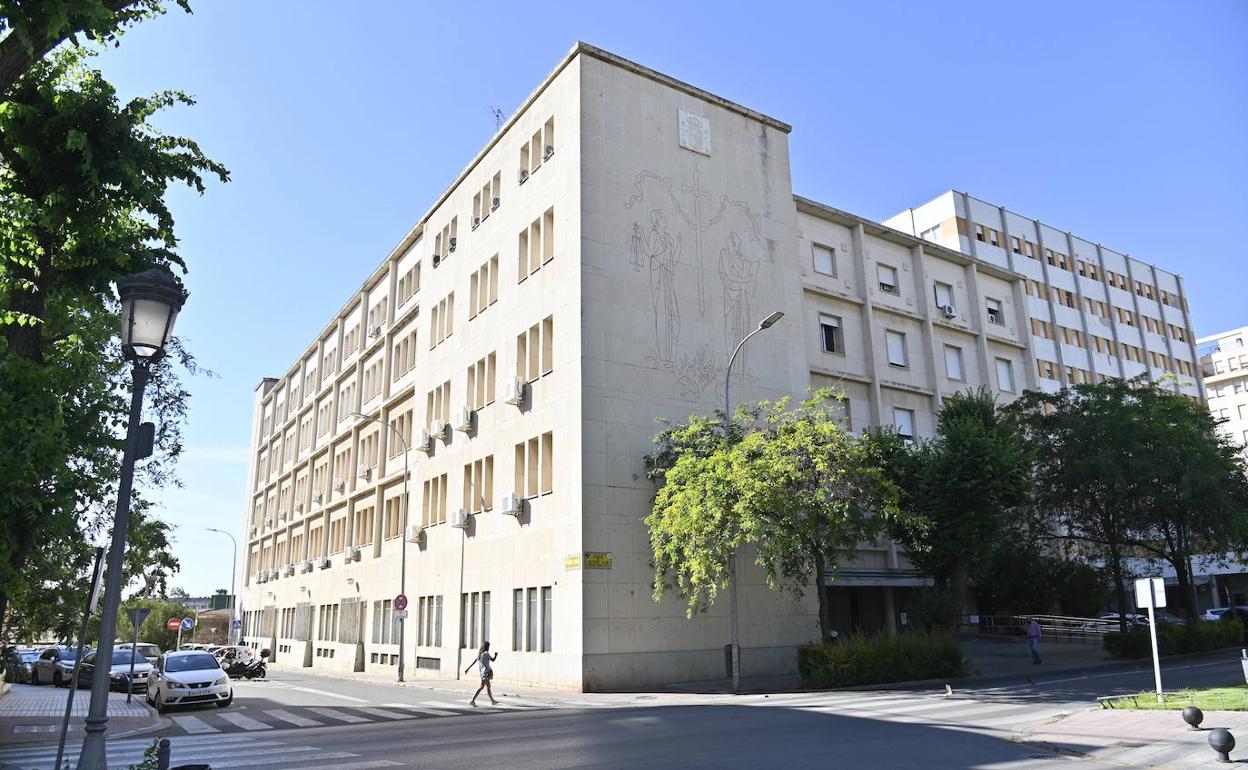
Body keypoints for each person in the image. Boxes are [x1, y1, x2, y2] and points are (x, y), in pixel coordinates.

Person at [465, 641, 499, 707]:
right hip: (486, 672)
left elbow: (474, 662)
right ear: (487, 647)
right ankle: (472, 700)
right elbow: (493, 660)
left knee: (486, 686)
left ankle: (492, 701)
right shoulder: (486, 653)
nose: (489, 648)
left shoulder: (480, 654)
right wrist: (496, 655)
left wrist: (467, 669)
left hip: (482, 673)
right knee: (484, 687)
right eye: (488, 646)